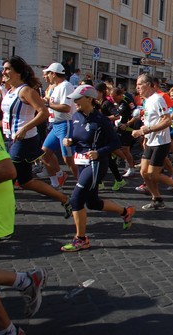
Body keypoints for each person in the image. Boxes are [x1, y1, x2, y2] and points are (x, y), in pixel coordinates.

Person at [0, 108, 46, 334]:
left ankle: (9, 331)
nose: (4, 74)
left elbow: (6, 169)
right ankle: (26, 280)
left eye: (8, 70)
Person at [60, 85, 135, 251]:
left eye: (78, 99)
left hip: (96, 164)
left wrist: (99, 152)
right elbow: (75, 136)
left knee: (76, 199)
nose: (75, 102)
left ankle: (81, 239)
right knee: (92, 202)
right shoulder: (76, 116)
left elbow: (115, 143)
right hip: (81, 162)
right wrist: (69, 140)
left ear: (89, 99)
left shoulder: (101, 120)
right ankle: (125, 212)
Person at [0, 56, 72, 217]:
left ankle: (6, 213)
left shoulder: (26, 91)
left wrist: (25, 128)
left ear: (17, 72)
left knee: (7, 179)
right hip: (10, 139)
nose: (3, 72)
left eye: (7, 69)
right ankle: (64, 199)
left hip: (23, 141)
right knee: (26, 181)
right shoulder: (10, 91)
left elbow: (43, 112)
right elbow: (7, 117)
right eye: (3, 68)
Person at [132, 74, 173, 210]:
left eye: (140, 84)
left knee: (153, 174)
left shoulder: (158, 99)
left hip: (161, 142)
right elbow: (152, 120)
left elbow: (167, 120)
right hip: (151, 141)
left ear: (148, 84)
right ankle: (157, 199)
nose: (137, 87)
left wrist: (147, 130)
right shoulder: (147, 100)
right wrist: (144, 129)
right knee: (144, 172)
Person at [40, 62, 78, 187]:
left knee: (68, 159)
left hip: (65, 124)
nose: (47, 76)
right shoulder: (55, 87)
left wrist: (48, 104)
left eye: (48, 73)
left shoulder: (66, 86)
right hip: (55, 125)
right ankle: (56, 181)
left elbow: (66, 108)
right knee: (44, 154)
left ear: (54, 74)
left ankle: (81, 183)